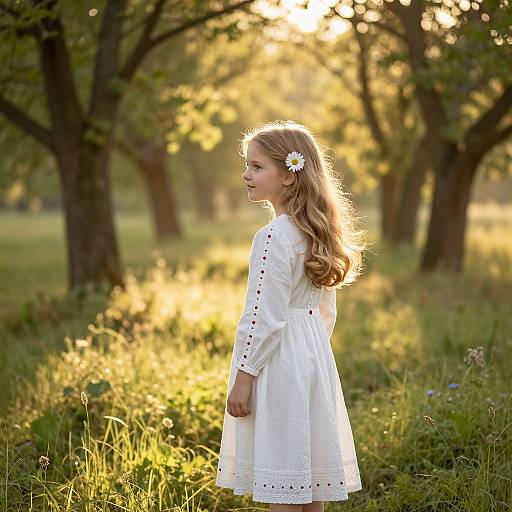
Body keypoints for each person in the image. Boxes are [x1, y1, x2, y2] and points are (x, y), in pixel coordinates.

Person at [215, 120, 367, 511]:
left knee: (282, 476)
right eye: (247, 166)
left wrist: (244, 378)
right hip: (312, 359)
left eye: (256, 166)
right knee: (308, 476)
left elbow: (263, 317)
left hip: (277, 365)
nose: (245, 174)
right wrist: (309, 351)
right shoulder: (317, 233)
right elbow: (324, 310)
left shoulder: (273, 237)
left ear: (287, 174)